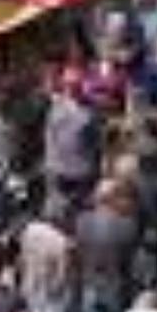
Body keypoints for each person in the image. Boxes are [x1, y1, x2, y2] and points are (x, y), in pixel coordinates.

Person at [74, 180, 140, 312]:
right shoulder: (127, 226)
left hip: (89, 284)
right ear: (113, 199)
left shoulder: (81, 221)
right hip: (114, 286)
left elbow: (78, 250)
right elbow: (129, 258)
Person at [43, 69, 101, 216]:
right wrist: (50, 164)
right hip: (59, 170)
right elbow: (49, 137)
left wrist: (94, 166)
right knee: (60, 210)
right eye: (68, 85)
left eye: (75, 85)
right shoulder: (54, 107)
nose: (71, 89)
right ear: (63, 85)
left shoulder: (89, 109)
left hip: (82, 171)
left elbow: (95, 142)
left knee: (81, 210)